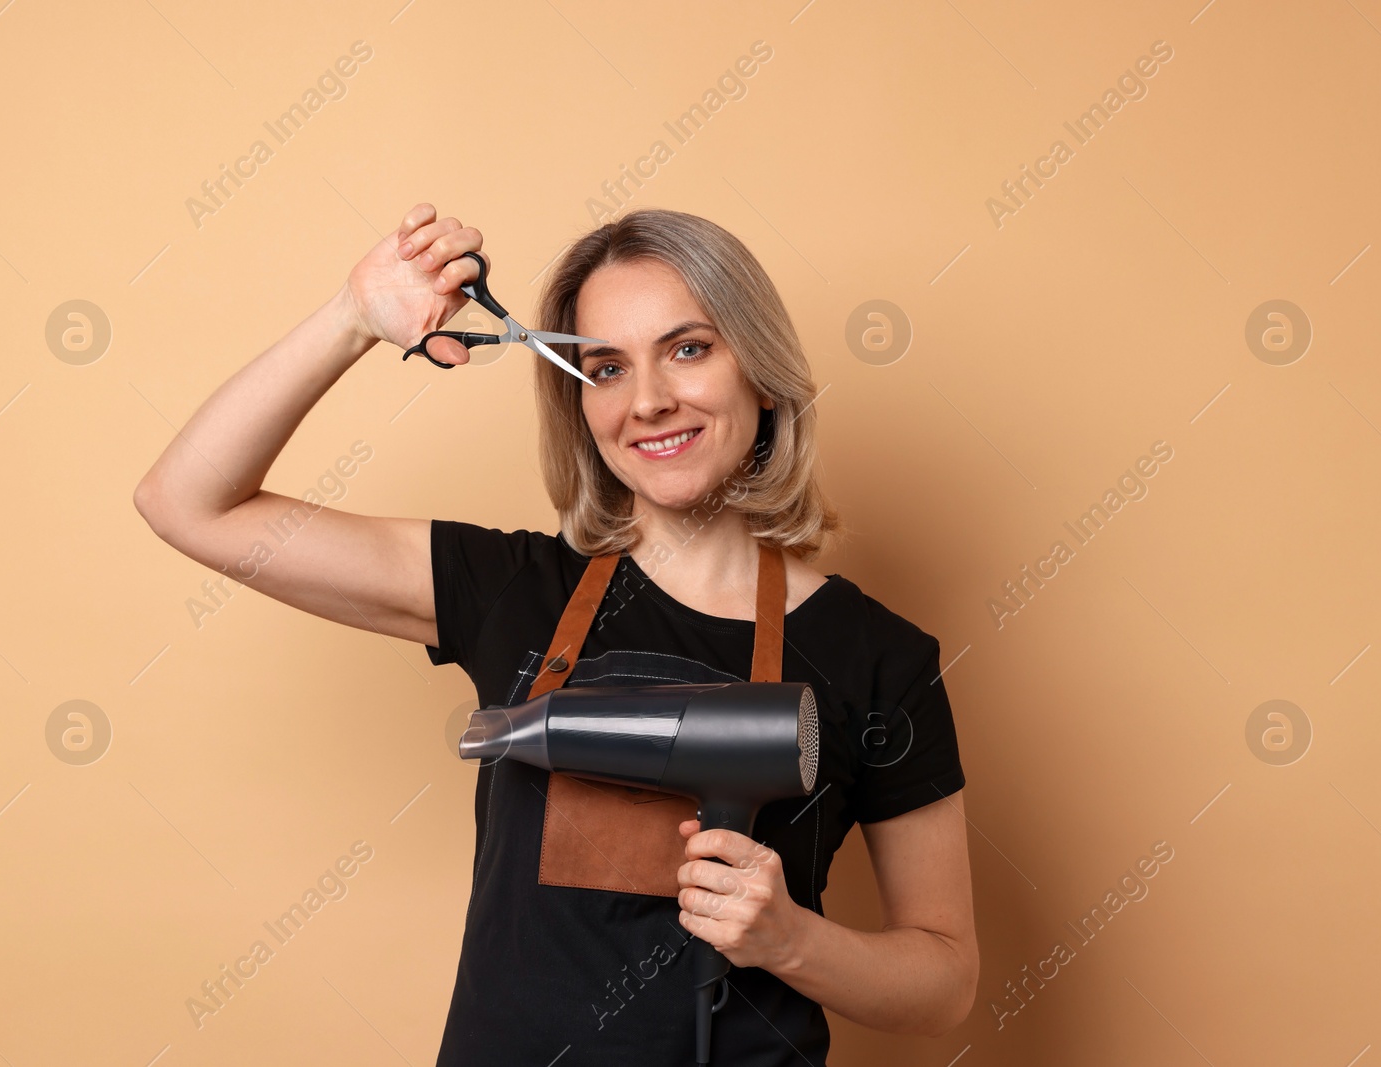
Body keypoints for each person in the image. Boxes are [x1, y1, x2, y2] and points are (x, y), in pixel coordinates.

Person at [134, 203, 978, 1064]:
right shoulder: (507, 590)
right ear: (580, 403)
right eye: (607, 368)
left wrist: (790, 939)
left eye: (688, 349)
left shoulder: (878, 657)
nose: (649, 400)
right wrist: (353, 319)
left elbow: (945, 980)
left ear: (759, 371)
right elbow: (188, 503)